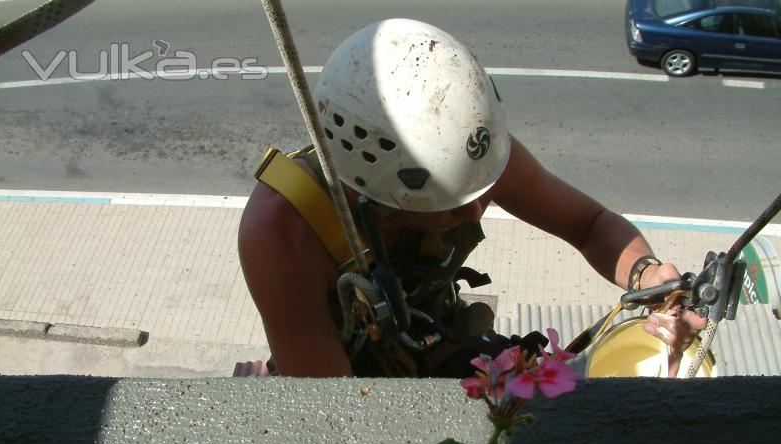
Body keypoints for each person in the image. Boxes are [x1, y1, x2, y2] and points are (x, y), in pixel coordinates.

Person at [237, 18, 705, 378]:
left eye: (482, 191)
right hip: (350, 381)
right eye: (452, 203)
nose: (478, 210)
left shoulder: (469, 158)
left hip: (437, 335)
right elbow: (331, 410)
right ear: (371, 194)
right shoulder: (282, 232)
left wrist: (648, 276)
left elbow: (589, 225)